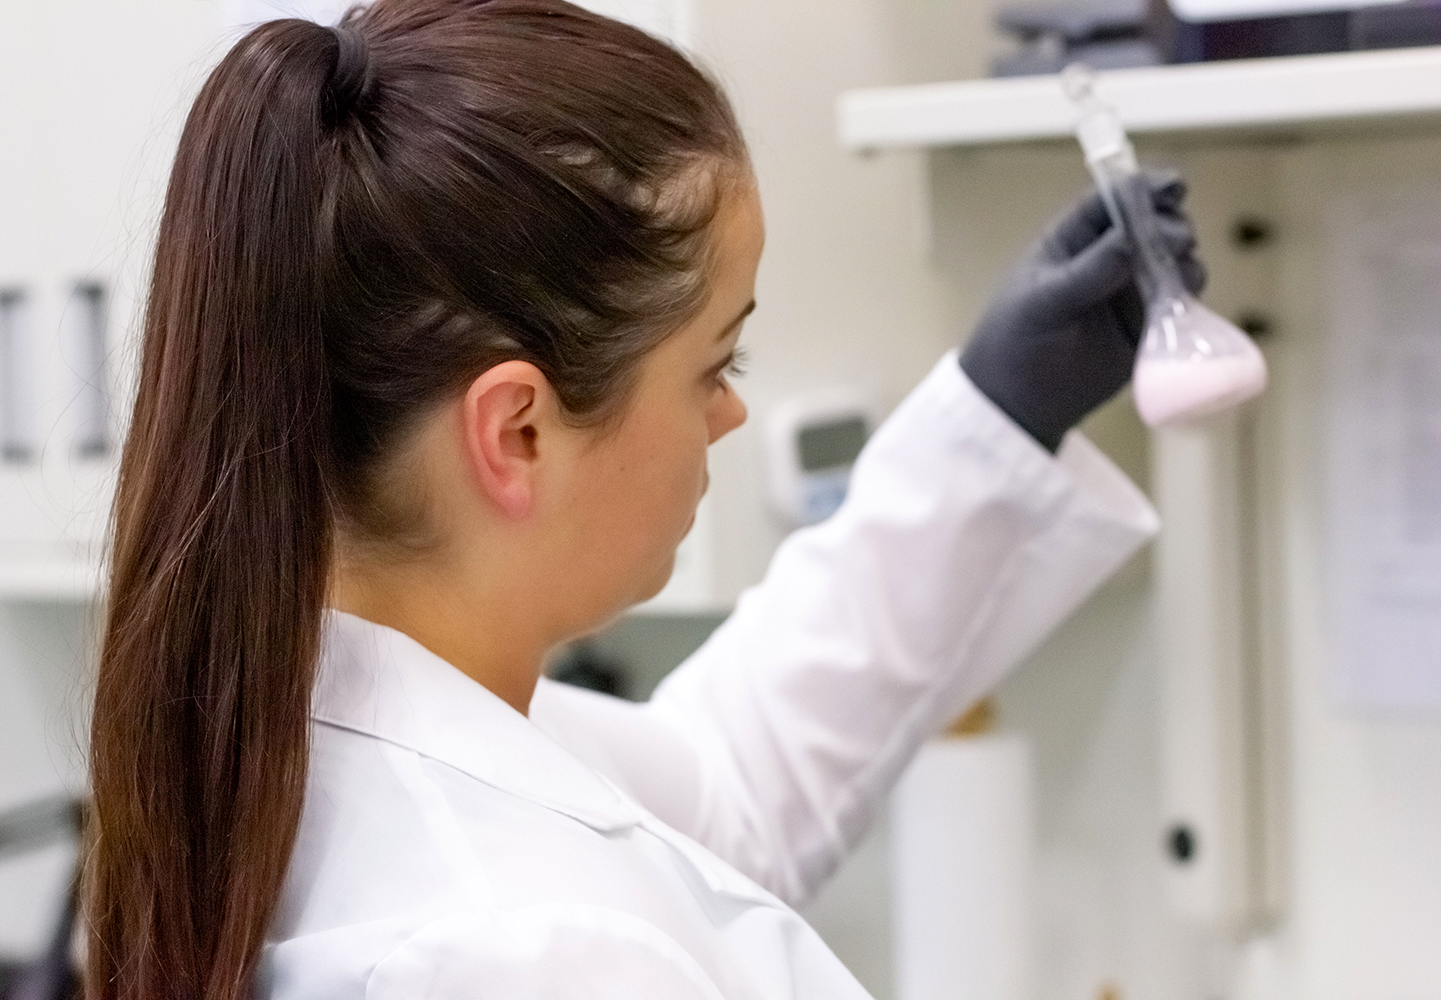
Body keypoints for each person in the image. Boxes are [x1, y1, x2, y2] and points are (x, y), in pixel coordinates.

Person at [83, 1, 1204, 998]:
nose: (729, 417)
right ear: (516, 431)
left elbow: (731, 791)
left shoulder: (302, 733)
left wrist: (1000, 409)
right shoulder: (521, 947)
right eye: (716, 366)